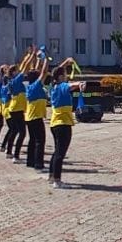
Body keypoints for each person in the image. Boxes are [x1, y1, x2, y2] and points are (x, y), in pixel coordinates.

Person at [47, 59, 87, 189]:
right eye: (64, 74)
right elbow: (71, 86)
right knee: (60, 153)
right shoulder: (63, 86)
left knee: (56, 151)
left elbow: (55, 72)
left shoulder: (53, 87)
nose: (66, 76)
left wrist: (65, 63)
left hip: (54, 124)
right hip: (63, 124)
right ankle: (57, 180)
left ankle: (51, 175)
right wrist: (80, 83)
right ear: (60, 77)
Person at [2, 49, 34, 163]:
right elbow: (25, 67)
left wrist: (29, 55)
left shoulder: (12, 81)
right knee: (22, 133)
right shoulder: (16, 80)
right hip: (17, 109)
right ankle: (15, 156)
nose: (20, 71)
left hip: (14, 108)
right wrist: (32, 55)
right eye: (17, 70)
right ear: (14, 72)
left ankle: (9, 152)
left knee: (14, 130)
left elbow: (24, 66)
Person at [24, 52, 50, 172]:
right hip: (36, 117)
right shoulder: (36, 86)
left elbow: (37, 72)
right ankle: (39, 164)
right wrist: (46, 59)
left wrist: (38, 59)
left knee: (32, 140)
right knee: (40, 140)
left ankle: (30, 161)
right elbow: (43, 72)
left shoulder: (29, 86)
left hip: (29, 117)